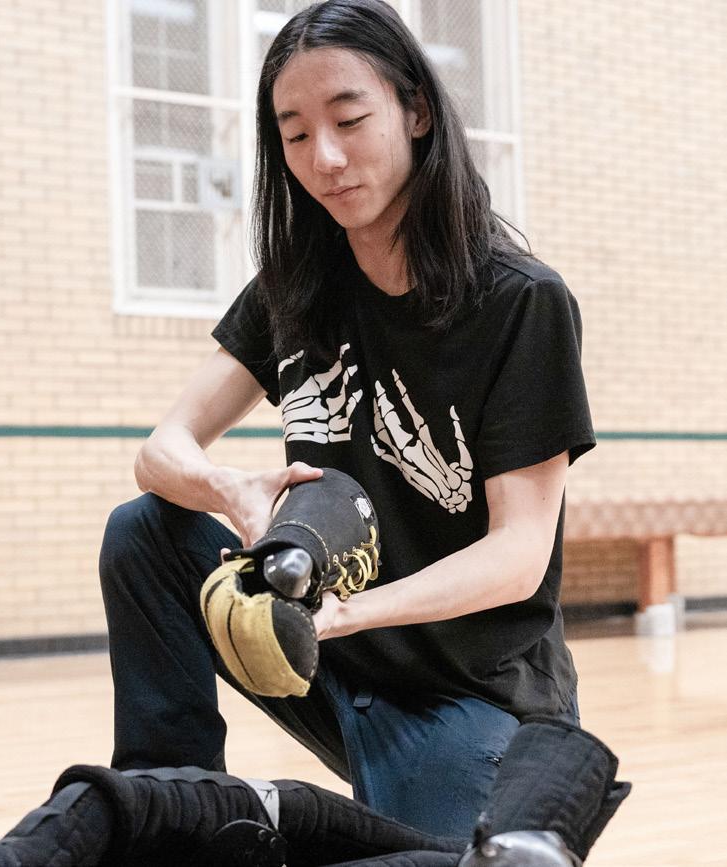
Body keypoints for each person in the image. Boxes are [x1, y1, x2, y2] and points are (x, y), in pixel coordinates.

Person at [99, 0, 594, 838]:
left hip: (469, 695)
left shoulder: (520, 301)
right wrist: (229, 490)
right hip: (328, 661)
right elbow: (160, 450)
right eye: (294, 134)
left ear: (416, 111)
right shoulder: (294, 287)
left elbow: (517, 557)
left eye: (349, 120)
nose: (323, 157)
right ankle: (168, 812)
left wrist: (344, 614)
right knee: (144, 529)